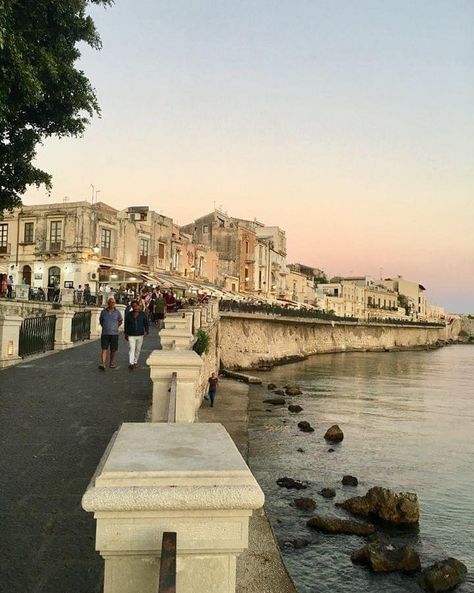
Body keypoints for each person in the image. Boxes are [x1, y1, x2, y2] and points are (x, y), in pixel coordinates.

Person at [124, 299, 149, 370]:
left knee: (138, 349)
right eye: (133, 306)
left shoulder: (143, 314)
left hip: (140, 334)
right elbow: (126, 325)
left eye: (136, 306)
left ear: (138, 306)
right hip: (131, 335)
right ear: (132, 307)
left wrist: (146, 331)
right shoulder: (129, 315)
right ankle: (131, 363)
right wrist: (126, 334)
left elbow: (146, 323)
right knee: (132, 349)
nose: (135, 307)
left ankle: (135, 361)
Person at [98, 297, 123, 370]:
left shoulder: (117, 312)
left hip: (114, 333)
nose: (112, 304)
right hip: (105, 333)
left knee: (113, 350)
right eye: (111, 302)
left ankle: (112, 362)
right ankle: (103, 363)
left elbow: (120, 321)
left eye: (113, 302)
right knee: (104, 348)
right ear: (108, 303)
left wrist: (115, 327)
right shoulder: (103, 312)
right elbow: (101, 320)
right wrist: (105, 326)